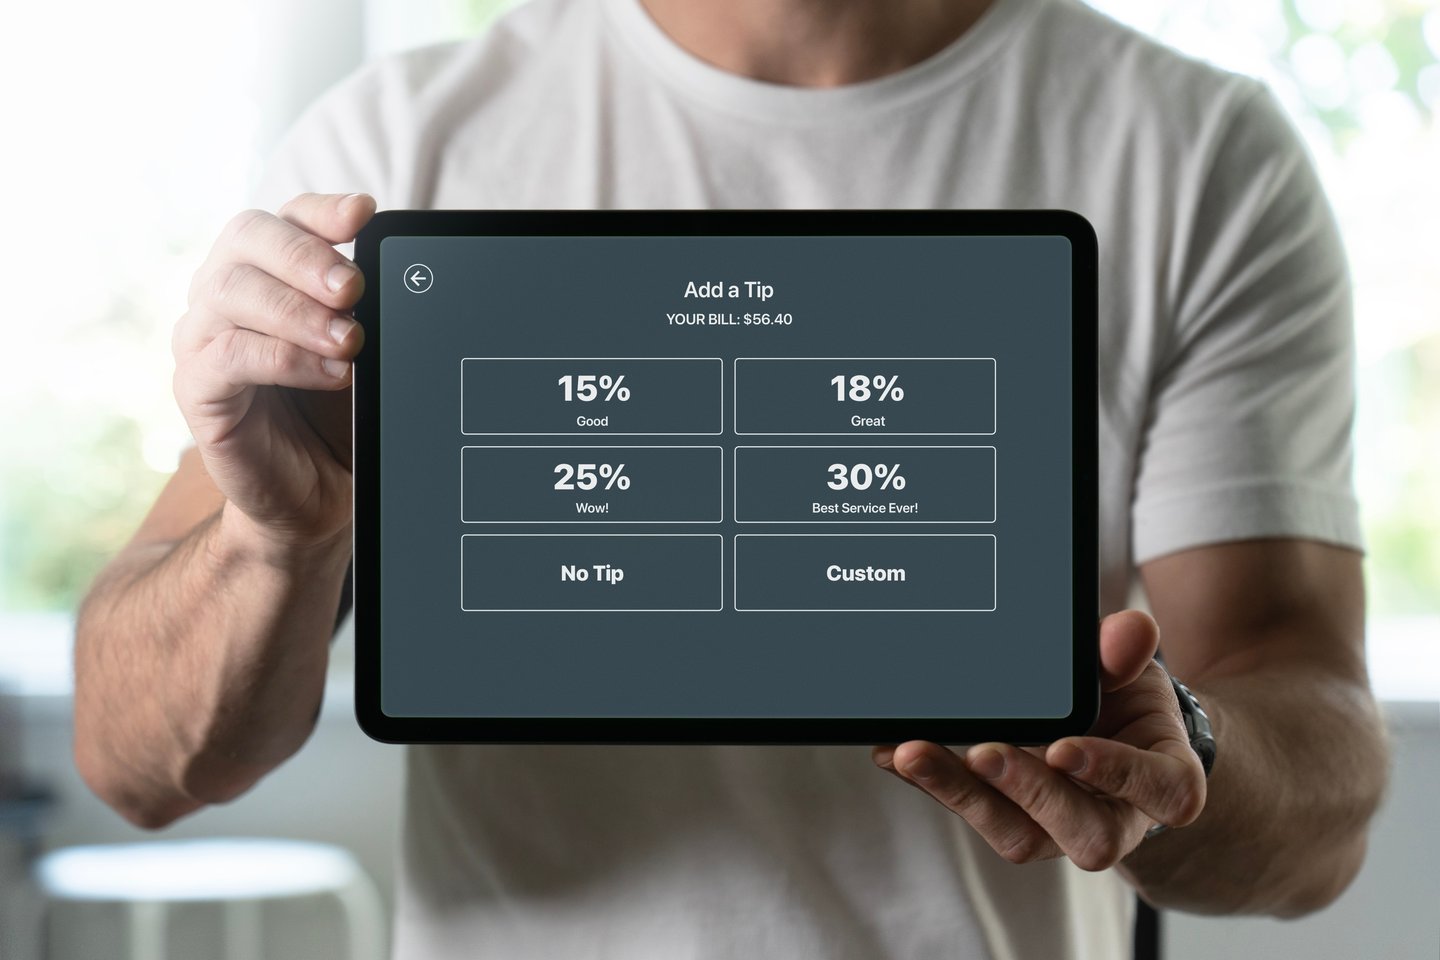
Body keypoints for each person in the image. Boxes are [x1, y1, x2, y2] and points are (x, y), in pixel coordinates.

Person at [74, 0, 1390, 957]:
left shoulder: (1201, 153)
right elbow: (139, 763)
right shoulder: (392, 150)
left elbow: (1316, 805)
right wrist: (276, 546)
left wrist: (1183, 759)